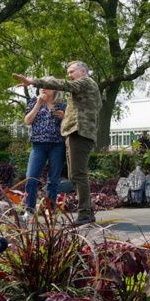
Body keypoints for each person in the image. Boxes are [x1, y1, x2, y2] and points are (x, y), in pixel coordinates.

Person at [13, 62, 101, 225]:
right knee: (75, 175)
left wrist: (32, 81)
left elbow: (64, 85)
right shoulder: (83, 89)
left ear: (83, 71)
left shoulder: (86, 82)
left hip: (79, 133)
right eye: (68, 72)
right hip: (71, 135)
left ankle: (84, 214)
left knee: (78, 175)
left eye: (72, 71)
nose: (69, 75)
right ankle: (85, 213)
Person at [22, 87, 66, 217]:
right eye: (41, 86)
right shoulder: (33, 102)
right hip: (38, 145)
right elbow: (27, 121)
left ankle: (50, 209)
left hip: (57, 145)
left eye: (47, 87)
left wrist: (64, 117)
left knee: (53, 179)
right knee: (31, 177)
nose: (43, 89)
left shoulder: (62, 105)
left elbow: (70, 124)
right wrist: (38, 103)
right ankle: (29, 209)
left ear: (54, 90)